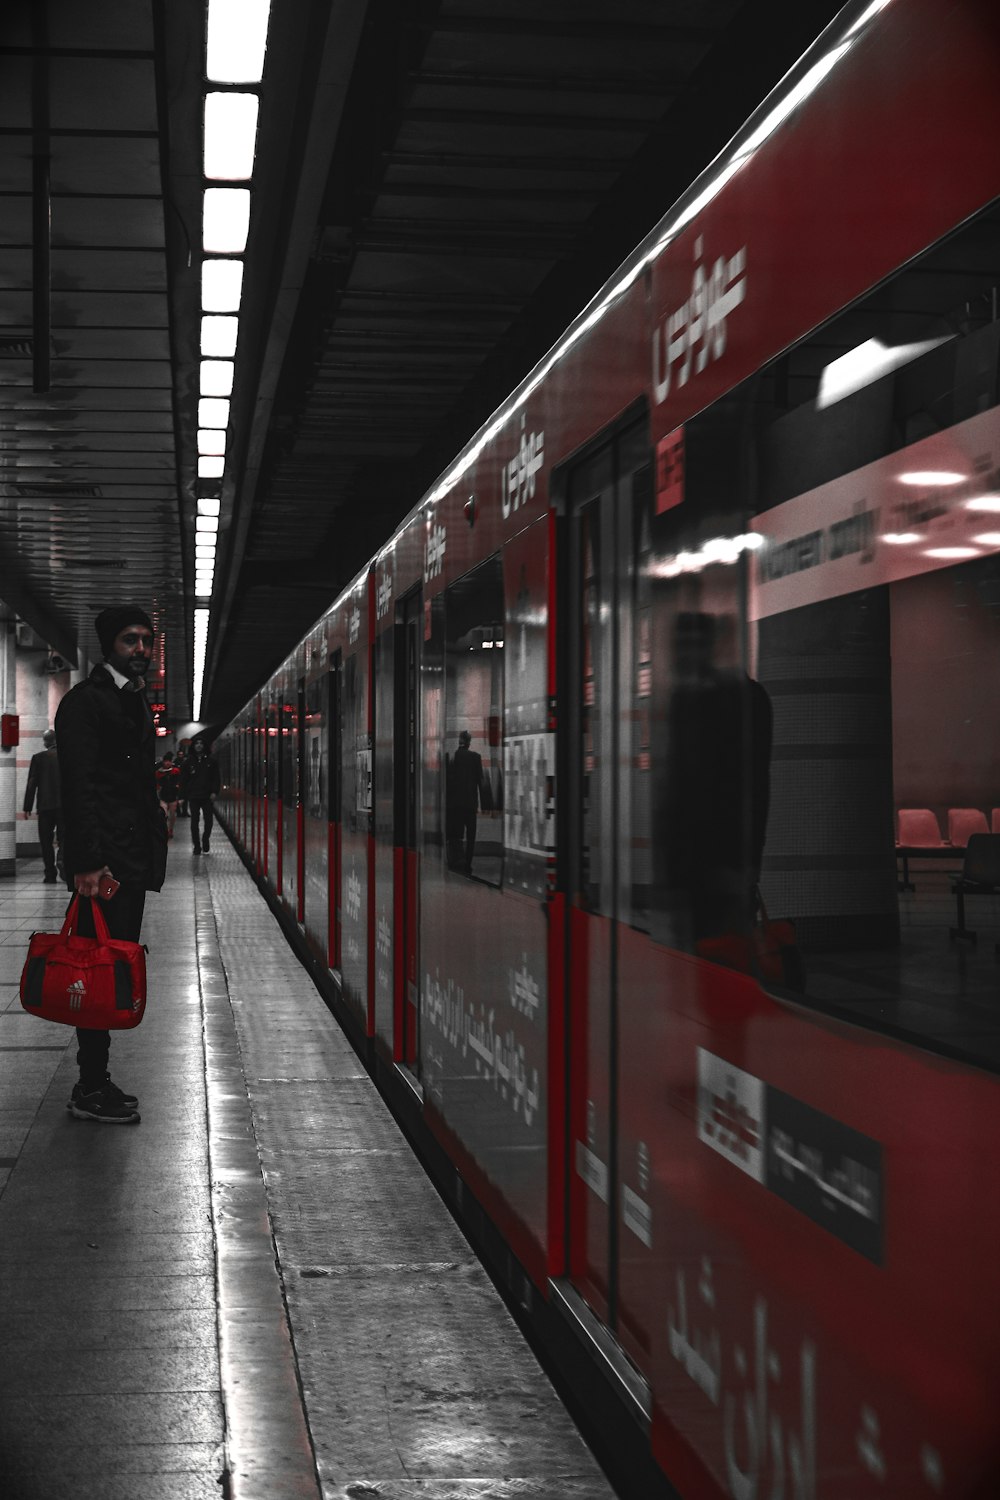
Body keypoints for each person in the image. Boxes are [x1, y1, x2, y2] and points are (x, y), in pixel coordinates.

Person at [54, 606, 167, 1124]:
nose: (141, 648)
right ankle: (90, 1086)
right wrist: (87, 862)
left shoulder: (131, 700)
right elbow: (77, 788)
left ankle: (95, 1080)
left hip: (130, 856)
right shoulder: (86, 703)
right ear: (109, 646)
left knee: (112, 962)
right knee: (96, 967)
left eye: (146, 639)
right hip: (106, 864)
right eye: (130, 640)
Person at [23, 728, 62, 883]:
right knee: (65, 839)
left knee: (46, 842)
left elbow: (32, 783)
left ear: (46, 742)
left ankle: (50, 874)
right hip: (64, 807)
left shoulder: (38, 758)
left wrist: (27, 806)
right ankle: (64, 868)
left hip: (45, 807)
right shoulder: (66, 757)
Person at [447, 729, 484, 875]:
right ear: (469, 742)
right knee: (471, 835)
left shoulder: (453, 758)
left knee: (457, 834)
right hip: (471, 804)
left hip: (456, 805)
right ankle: (468, 863)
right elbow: (481, 782)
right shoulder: (476, 757)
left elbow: (449, 784)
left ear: (459, 741)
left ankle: (457, 860)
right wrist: (485, 804)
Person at [180, 735, 221, 855]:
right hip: (193, 796)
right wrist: (182, 796)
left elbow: (216, 778)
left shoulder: (211, 762)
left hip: (207, 796)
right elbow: (183, 780)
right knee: (194, 821)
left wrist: (214, 791)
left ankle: (205, 839)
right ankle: (197, 846)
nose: (199, 745)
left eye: (201, 743)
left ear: (204, 746)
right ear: (193, 746)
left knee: (209, 821)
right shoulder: (188, 763)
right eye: (196, 743)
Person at [155, 750, 181, 838]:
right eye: (166, 761)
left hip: (172, 795)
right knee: (165, 814)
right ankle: (166, 830)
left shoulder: (175, 771)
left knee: (172, 814)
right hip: (163, 796)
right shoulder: (159, 772)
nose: (167, 763)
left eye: (169, 761)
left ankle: (170, 829)